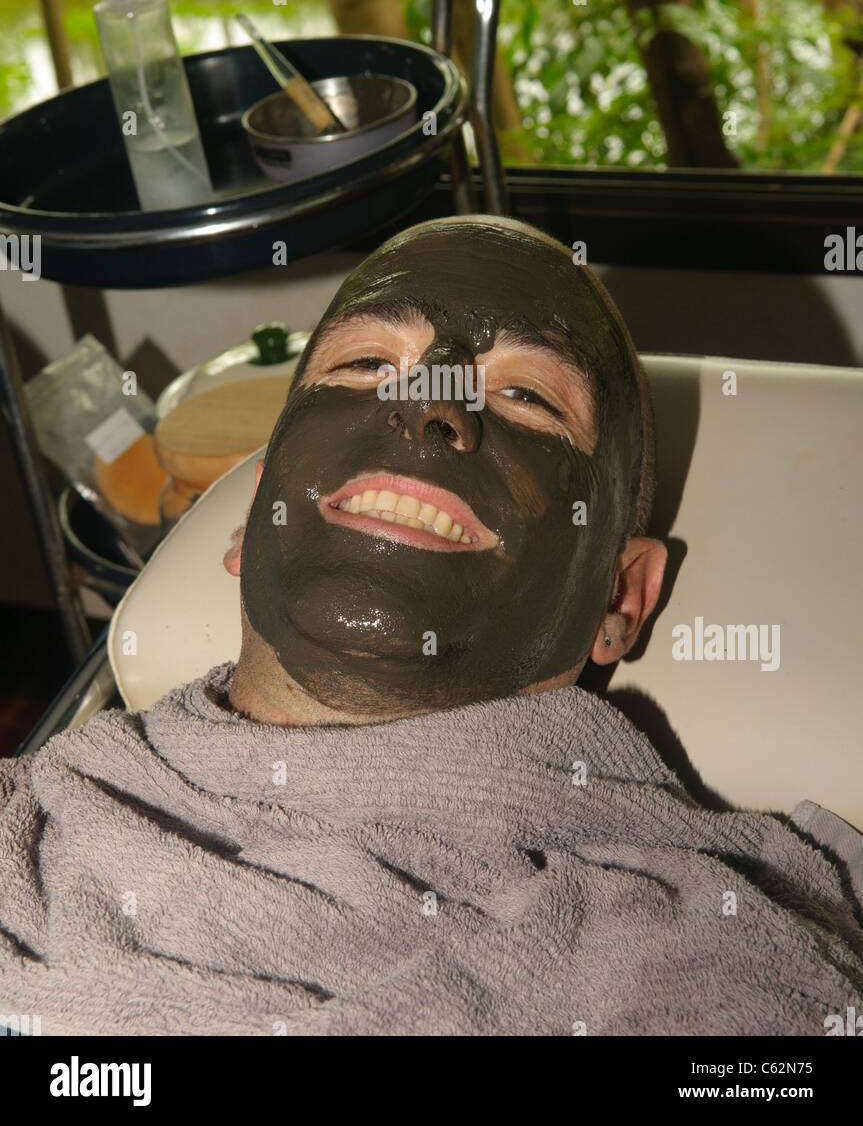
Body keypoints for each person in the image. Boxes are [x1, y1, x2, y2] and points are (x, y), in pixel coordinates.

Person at [0, 216, 860, 1037]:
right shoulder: (33, 819)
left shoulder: (715, 965)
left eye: (526, 395)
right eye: (368, 363)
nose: (425, 403)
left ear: (619, 601)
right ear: (251, 511)